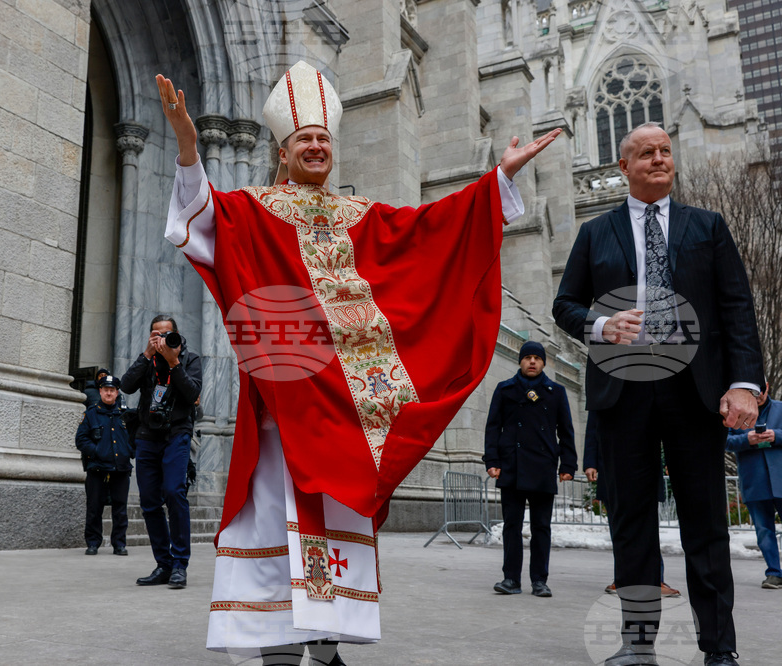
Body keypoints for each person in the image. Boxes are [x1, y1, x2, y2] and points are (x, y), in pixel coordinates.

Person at [155, 61, 561, 663]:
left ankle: (325, 653)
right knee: (277, 538)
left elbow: (430, 233)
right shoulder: (253, 210)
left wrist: (494, 182)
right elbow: (198, 213)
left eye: (323, 138)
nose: (316, 146)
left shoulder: (363, 218)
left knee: (336, 534)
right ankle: (279, 655)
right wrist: (188, 145)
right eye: (304, 139)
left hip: (350, 418)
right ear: (282, 148)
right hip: (282, 416)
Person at [553, 122, 764, 666]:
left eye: (665, 151)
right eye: (645, 153)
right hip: (623, 392)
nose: (658, 159)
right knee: (632, 524)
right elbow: (565, 305)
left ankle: (720, 647)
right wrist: (603, 325)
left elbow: (737, 310)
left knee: (706, 523)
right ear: (623, 167)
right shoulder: (595, 233)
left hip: (693, 391)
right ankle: (638, 643)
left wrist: (744, 385)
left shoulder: (707, 228)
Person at [484, 340, 577, 598]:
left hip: (543, 466)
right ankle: (511, 579)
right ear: (520, 361)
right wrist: (492, 461)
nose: (532, 362)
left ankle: (539, 581)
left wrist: (568, 464)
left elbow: (566, 431)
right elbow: (493, 428)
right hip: (511, 467)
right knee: (511, 526)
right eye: (527, 358)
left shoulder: (555, 391)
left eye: (537, 358)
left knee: (541, 527)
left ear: (544, 362)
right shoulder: (505, 390)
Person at [120, 315, 202, 589]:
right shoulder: (147, 359)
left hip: (176, 434)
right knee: (150, 501)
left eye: (165, 334)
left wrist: (173, 361)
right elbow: (126, 385)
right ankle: (163, 564)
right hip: (147, 436)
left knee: (174, 492)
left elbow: (192, 394)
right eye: (155, 334)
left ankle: (180, 564)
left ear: (176, 335)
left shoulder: (190, 359)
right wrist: (146, 354)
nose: (160, 339)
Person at [583, 412, 681, 598]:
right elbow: (593, 427)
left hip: (644, 467)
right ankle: (622, 579)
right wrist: (590, 462)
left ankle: (655, 579)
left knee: (647, 527)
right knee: (619, 528)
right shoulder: (606, 388)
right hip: (612, 468)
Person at [725, 383, 782, 590]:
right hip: (754, 481)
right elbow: (726, 442)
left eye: (758, 392)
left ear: (767, 387)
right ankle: (774, 573)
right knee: (763, 531)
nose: (755, 397)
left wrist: (776, 436)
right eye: (750, 393)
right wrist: (747, 439)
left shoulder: (781, 408)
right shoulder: (736, 414)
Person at [75, 374, 133, 556]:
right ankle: (93, 543)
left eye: (112, 390)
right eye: (106, 390)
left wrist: (129, 452)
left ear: (117, 393)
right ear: (100, 391)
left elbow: (136, 438)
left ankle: (119, 544)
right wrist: (97, 451)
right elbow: (81, 439)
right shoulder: (91, 414)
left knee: (120, 510)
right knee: (94, 508)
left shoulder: (126, 414)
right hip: (97, 469)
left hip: (120, 469)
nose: (109, 393)